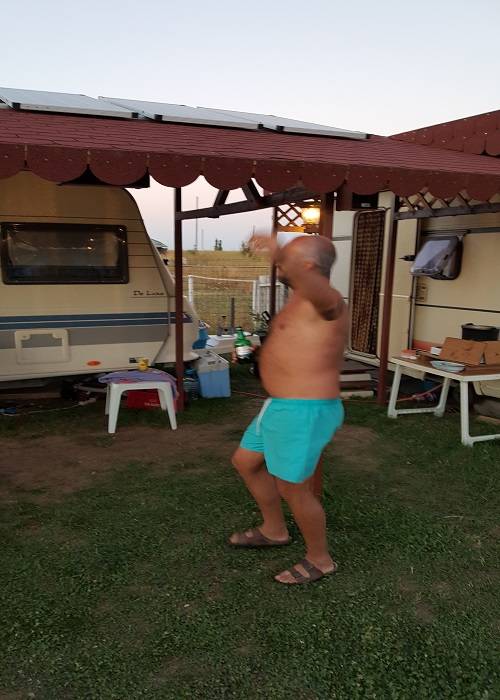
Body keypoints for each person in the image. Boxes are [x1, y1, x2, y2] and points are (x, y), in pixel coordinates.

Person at [230, 233, 348, 585]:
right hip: (279, 406)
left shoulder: (328, 300)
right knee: (246, 462)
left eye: (287, 259)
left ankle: (320, 560)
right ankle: (274, 530)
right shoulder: (297, 299)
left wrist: (278, 249)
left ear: (308, 266)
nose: (278, 262)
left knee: (293, 487)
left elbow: (325, 300)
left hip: (304, 409)